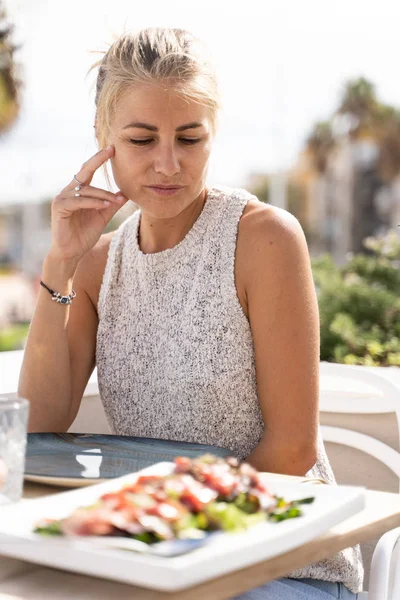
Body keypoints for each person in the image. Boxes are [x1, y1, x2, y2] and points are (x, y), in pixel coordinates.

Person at [18, 28, 362, 599]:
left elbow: (293, 450)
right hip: (157, 559)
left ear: (213, 135)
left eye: (189, 137)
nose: (168, 163)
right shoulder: (100, 264)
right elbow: (39, 424)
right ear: (103, 138)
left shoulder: (262, 238)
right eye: (141, 139)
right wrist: (62, 261)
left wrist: (159, 537)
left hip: (281, 560)